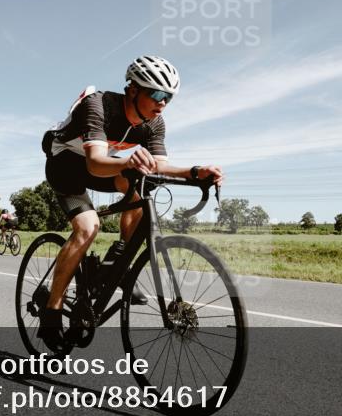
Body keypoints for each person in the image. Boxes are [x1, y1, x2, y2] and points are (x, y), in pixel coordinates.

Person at [39, 55, 223, 351]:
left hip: (104, 164)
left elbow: (159, 167)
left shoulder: (154, 124)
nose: (163, 103)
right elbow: (97, 163)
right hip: (66, 164)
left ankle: (118, 259)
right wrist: (128, 161)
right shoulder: (99, 105)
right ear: (134, 89)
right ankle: (52, 309)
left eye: (169, 98)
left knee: (142, 185)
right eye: (158, 94)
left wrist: (194, 172)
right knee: (88, 227)